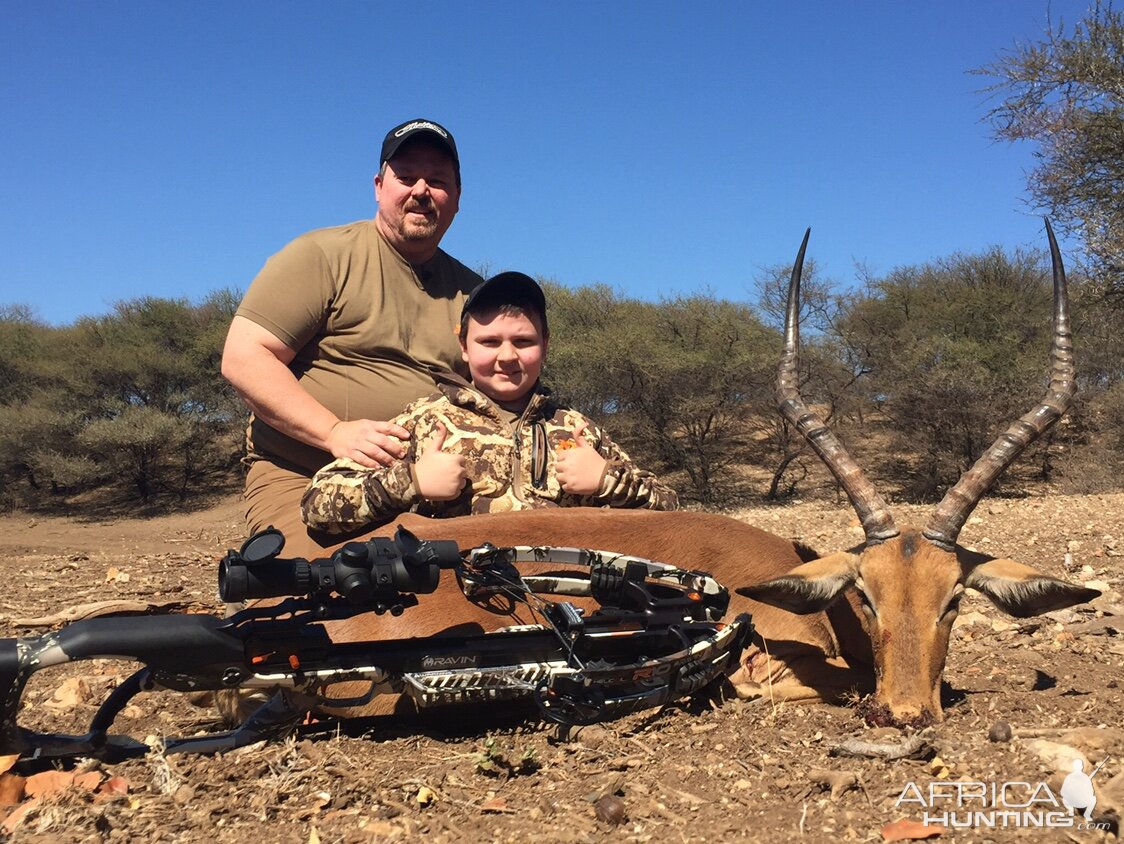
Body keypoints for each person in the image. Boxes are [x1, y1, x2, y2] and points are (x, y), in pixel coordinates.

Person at [221, 119, 482, 560]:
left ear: (456, 199)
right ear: (379, 186)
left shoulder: (474, 293)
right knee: (319, 597)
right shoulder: (320, 256)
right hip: (307, 474)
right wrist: (334, 432)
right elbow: (244, 357)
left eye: (437, 181)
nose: (421, 190)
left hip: (427, 485)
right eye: (406, 177)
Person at [301, 272, 678, 532]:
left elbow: (672, 510)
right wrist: (411, 481)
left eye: (524, 342)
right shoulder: (423, 421)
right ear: (463, 347)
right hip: (456, 606)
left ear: (545, 346)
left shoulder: (577, 429)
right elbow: (317, 504)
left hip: (565, 610)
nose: (508, 356)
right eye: (489, 342)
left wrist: (606, 480)